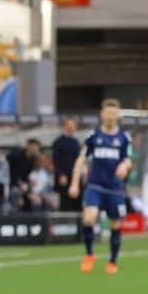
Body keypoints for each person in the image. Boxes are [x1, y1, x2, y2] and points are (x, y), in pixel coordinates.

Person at [68, 99, 133, 274]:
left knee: (115, 225)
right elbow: (81, 159)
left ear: (118, 115)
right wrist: (74, 183)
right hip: (95, 185)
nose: (111, 116)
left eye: (114, 113)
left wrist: (124, 166)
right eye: (108, 113)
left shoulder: (124, 138)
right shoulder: (93, 137)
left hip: (115, 188)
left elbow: (128, 159)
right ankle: (89, 255)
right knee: (89, 219)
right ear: (102, 114)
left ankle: (112, 261)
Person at [52, 117, 81, 212]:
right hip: (64, 176)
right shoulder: (59, 142)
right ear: (65, 127)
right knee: (65, 200)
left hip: (75, 176)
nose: (72, 127)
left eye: (73, 126)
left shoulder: (76, 142)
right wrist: (61, 174)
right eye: (69, 125)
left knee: (76, 200)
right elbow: (56, 160)